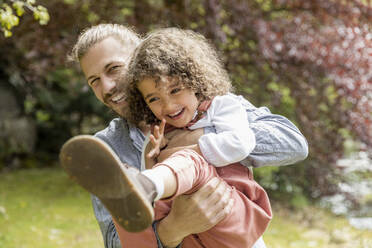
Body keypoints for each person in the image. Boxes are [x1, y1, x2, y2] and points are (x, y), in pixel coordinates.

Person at [67, 24, 308, 248]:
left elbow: (292, 143)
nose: (107, 87)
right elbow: (114, 240)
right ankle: (146, 187)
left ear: (138, 58)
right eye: (94, 81)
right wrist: (174, 228)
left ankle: (148, 184)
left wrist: (197, 140)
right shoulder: (105, 147)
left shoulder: (209, 105)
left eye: (113, 69)